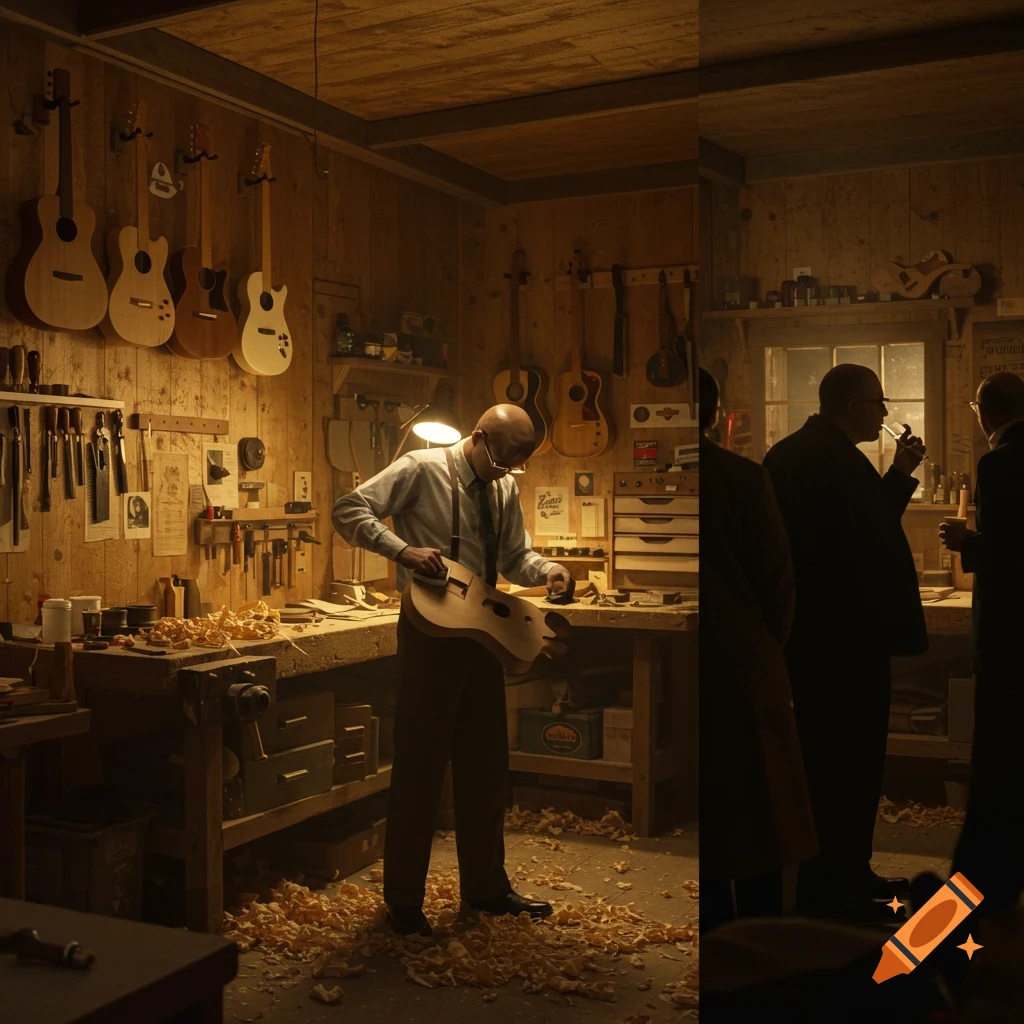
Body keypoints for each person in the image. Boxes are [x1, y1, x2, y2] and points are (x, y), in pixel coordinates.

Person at [332, 404, 571, 938]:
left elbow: (514, 557)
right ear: (479, 437)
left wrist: (549, 570)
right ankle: (403, 902)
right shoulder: (420, 468)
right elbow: (349, 510)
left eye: (516, 464)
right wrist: (403, 550)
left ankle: (487, 888)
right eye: (503, 459)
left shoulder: (504, 486)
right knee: (419, 769)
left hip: (485, 636)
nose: (506, 471)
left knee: (486, 768)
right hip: (431, 633)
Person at [762, 364, 927, 919]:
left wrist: (901, 471)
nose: (885, 414)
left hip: (808, 635)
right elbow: (871, 538)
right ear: (855, 406)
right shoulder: (835, 461)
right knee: (850, 763)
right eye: (879, 403)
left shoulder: (791, 455)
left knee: (825, 762)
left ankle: (844, 873)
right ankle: (836, 888)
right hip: (846, 639)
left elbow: (859, 528)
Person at [699, 367, 818, 935]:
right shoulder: (743, 478)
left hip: (709, 656)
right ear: (715, 416)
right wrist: (767, 645)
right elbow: (778, 580)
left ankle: (718, 928)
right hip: (744, 654)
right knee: (759, 806)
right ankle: (764, 937)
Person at [940, 372, 1024, 919]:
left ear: (983, 413)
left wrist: (967, 542)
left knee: (997, 762)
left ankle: (980, 892)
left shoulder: (999, 462)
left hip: (1011, 636)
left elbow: (1011, 548)